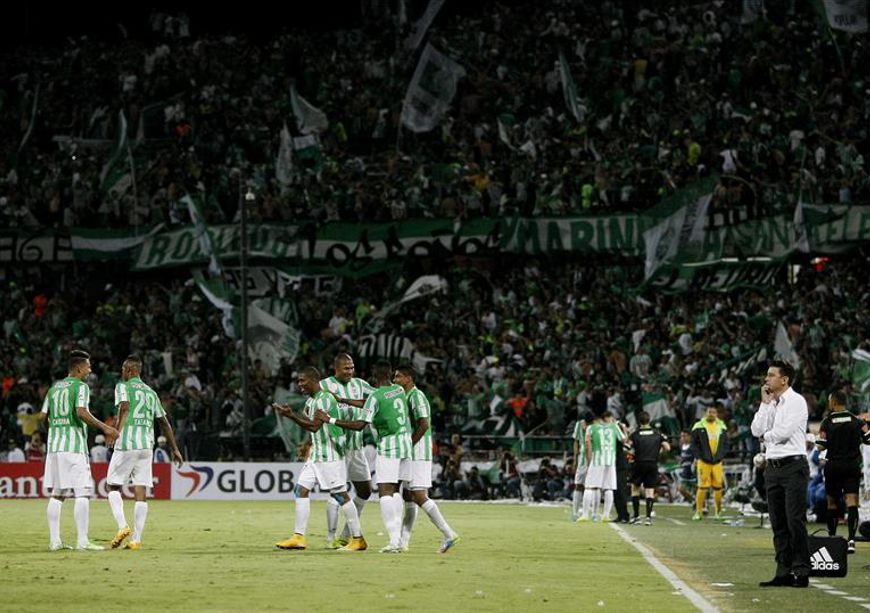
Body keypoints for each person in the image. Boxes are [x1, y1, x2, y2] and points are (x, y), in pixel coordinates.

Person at [272, 366, 366, 551]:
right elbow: (314, 430)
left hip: (330, 455)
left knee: (340, 495)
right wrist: (307, 444)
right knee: (300, 490)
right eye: (298, 381)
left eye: (302, 380)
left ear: (314, 380)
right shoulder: (311, 401)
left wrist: (291, 417)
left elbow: (315, 426)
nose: (299, 384)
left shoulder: (326, 398)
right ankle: (299, 537)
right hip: (316, 455)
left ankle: (358, 539)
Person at [324, 360, 410, 553]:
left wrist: (330, 419)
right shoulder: (398, 390)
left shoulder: (373, 395)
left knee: (385, 492)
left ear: (374, 374)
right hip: (406, 445)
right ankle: (401, 541)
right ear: (390, 374)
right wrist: (344, 400)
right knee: (397, 491)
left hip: (388, 446)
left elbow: (361, 423)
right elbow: (373, 401)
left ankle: (394, 541)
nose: (351, 371)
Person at [38, 349, 119, 551]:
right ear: (79, 368)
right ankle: (82, 541)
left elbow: (41, 418)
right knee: (82, 491)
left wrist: (56, 429)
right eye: (88, 367)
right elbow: (81, 412)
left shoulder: (54, 389)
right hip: (73, 447)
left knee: (58, 493)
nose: (90, 370)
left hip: (55, 447)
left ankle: (55, 541)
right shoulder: (81, 387)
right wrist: (106, 428)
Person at [106, 356, 184, 550]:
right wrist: (174, 448)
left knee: (112, 487)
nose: (122, 373)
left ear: (131, 370)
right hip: (146, 447)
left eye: (124, 369)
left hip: (127, 443)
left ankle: (123, 527)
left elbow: (124, 408)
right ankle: (136, 539)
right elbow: (164, 422)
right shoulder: (151, 392)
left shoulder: (122, 387)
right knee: (140, 490)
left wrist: (115, 432)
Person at [751, 360, 811, 588]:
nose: (766, 379)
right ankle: (783, 571)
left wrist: (765, 437)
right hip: (773, 468)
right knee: (778, 523)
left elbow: (784, 432)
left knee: (795, 520)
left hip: (793, 466)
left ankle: (802, 571)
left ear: (784, 379)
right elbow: (756, 429)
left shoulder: (796, 401)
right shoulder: (772, 404)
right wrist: (765, 404)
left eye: (771, 375)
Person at [393, 365, 460, 553]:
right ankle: (403, 542)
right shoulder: (403, 397)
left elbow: (424, 424)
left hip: (419, 453)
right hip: (410, 454)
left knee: (419, 495)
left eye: (398, 376)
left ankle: (449, 533)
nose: (395, 380)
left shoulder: (417, 396)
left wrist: (409, 444)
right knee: (408, 495)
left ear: (409, 378)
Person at [319, 353, 374, 548]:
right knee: (338, 491)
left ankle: (345, 533)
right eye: (346, 368)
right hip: (335, 447)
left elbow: (377, 396)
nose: (350, 372)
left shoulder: (360, 384)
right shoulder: (324, 386)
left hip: (356, 447)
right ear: (336, 368)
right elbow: (313, 410)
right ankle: (331, 537)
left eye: (352, 368)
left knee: (365, 490)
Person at [816, 390, 870, 554]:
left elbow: (820, 445)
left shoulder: (827, 421)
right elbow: (868, 438)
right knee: (852, 501)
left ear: (833, 402)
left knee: (832, 502)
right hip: (851, 466)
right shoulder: (857, 421)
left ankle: (832, 539)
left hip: (833, 466)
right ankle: (851, 540)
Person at [579, 411, 624, 522]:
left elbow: (588, 447)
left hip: (597, 460)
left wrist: (589, 462)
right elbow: (623, 439)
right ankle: (606, 515)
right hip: (610, 460)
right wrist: (623, 428)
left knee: (589, 486)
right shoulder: (614, 427)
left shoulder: (591, 428)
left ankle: (585, 515)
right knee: (609, 488)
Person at [628, 411, 670, 525]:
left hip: (639, 463)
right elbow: (667, 447)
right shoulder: (657, 433)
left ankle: (636, 517)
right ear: (649, 420)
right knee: (650, 491)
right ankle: (648, 518)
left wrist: (630, 457)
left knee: (635, 489)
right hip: (652, 463)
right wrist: (659, 452)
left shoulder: (635, 434)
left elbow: (628, 448)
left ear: (639, 421)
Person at [691, 406, 729, 521]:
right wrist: (699, 457)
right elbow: (694, 444)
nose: (711, 414)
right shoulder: (699, 426)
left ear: (717, 414)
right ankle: (698, 512)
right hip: (703, 461)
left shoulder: (721, 426)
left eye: (713, 412)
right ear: (705, 413)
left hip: (717, 461)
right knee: (702, 486)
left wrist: (721, 456)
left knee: (718, 487)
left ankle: (718, 512)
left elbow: (726, 443)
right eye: (709, 412)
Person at [570, 418, 587, 521]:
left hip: (593, 458)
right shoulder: (579, 425)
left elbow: (575, 442)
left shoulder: (596, 425)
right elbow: (576, 441)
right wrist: (575, 459)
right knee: (579, 484)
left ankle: (586, 512)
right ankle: (575, 512)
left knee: (589, 486)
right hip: (583, 458)